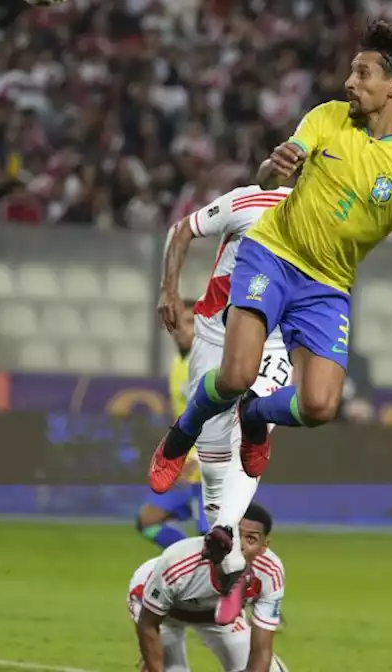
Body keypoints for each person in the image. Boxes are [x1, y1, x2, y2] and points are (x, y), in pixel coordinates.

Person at [149, 19, 392, 613]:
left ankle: (259, 420)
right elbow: (269, 179)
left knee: (321, 406)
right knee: (235, 374)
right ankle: (182, 432)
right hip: (274, 254)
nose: (349, 81)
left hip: (328, 287)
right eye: (351, 70)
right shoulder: (325, 117)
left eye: (362, 73)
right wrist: (275, 169)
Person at [154, 186, 294, 623]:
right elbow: (182, 230)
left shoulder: (333, 219)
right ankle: (231, 563)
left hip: (276, 339)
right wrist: (169, 291)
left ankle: (224, 544)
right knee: (216, 466)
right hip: (215, 334)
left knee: (257, 425)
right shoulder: (251, 202)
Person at [130, 504, 286, 672]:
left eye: (251, 539)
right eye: (235, 535)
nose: (240, 546)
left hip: (218, 617)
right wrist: (154, 661)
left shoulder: (270, 572)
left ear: (264, 547)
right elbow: (148, 624)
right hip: (163, 612)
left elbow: (261, 650)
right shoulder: (179, 562)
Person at [137, 299, 209, 551]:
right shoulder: (178, 364)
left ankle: (226, 580)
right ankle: (189, 560)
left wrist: (199, 458)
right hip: (185, 465)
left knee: (213, 540)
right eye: (177, 322)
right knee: (147, 521)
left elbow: (222, 417)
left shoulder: (208, 364)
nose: (182, 329)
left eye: (190, 322)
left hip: (210, 466)